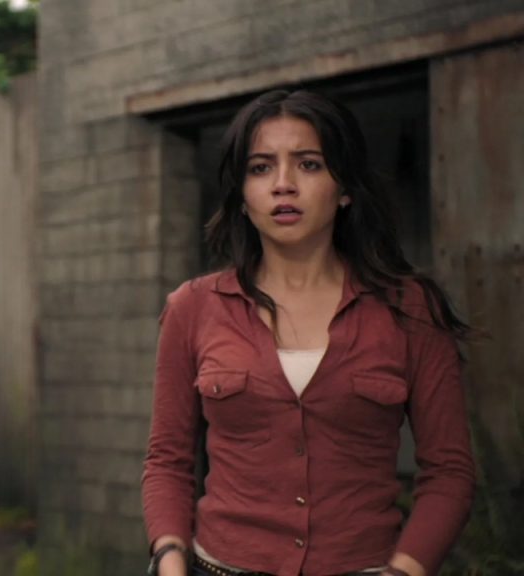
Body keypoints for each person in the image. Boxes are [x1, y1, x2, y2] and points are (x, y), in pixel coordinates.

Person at [142, 90, 474, 576]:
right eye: (260, 168)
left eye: (309, 164)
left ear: (345, 189)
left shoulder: (411, 309)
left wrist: (406, 570)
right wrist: (170, 557)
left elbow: (449, 471)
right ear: (240, 196)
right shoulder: (193, 307)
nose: (283, 185)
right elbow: (167, 460)